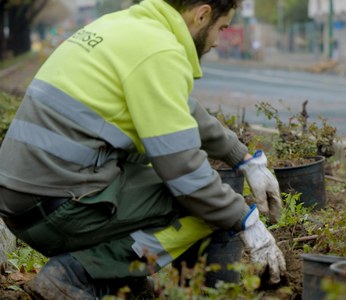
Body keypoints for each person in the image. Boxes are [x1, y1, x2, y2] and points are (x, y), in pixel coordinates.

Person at [0, 0, 286, 298]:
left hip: (19, 200)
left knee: (155, 165)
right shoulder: (160, 52)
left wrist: (243, 159)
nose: (217, 41)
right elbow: (187, 176)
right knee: (206, 207)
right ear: (202, 15)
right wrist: (246, 221)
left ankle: (123, 280)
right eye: (222, 28)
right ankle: (79, 275)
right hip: (56, 210)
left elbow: (182, 111)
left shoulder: (124, 27)